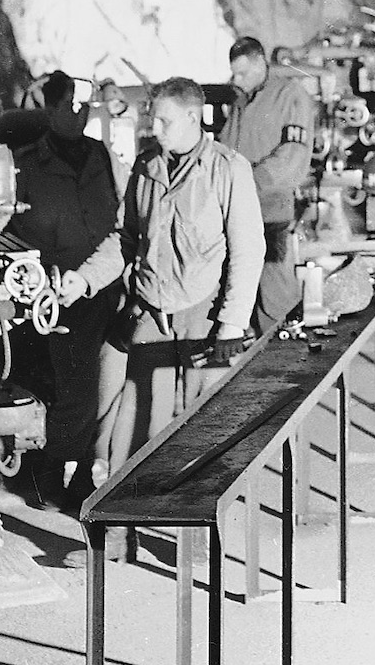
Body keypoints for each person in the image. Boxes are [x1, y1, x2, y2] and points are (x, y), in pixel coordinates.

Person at [53, 77, 264, 506]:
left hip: (204, 319)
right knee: (133, 432)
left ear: (193, 117)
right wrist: (84, 278)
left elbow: (248, 250)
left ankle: (201, 539)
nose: (156, 128)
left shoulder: (227, 168)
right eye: (153, 119)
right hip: (151, 313)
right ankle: (121, 530)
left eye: (165, 121)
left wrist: (232, 324)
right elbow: (125, 240)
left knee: (205, 436)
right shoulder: (147, 168)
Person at [5, 73, 122, 513]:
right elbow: (11, 231)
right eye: (70, 107)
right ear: (50, 111)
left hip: (104, 282)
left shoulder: (99, 154)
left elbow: (118, 214)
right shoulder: (25, 164)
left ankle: (82, 469)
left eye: (85, 107)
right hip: (55, 291)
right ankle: (56, 473)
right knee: (74, 387)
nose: (80, 115)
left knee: (103, 386)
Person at [220, 37, 315, 334]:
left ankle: (281, 355)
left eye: (243, 73)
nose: (236, 80)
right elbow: (226, 148)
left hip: (272, 211)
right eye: (234, 73)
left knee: (274, 295)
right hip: (238, 210)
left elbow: (293, 156)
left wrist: (250, 183)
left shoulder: (290, 96)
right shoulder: (241, 100)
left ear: (261, 63)